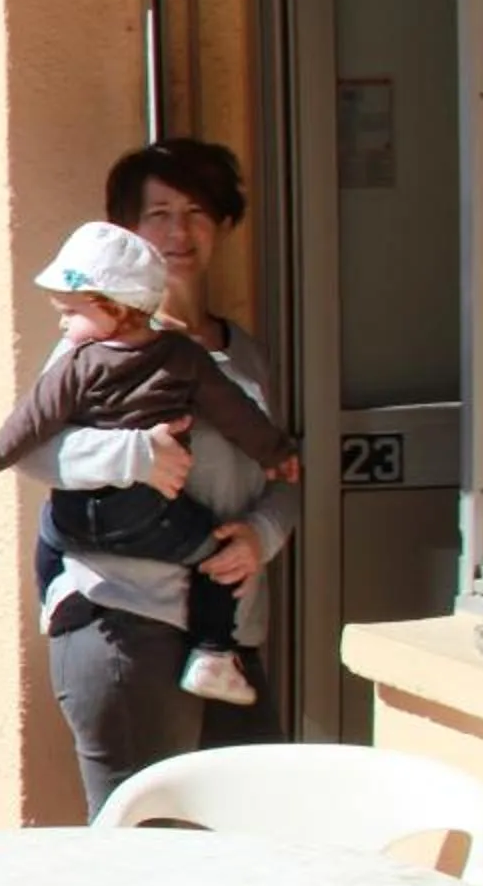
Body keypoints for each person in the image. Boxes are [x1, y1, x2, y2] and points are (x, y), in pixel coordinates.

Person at [28, 140, 301, 815]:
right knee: (142, 844)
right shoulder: (94, 343)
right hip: (125, 623)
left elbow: (288, 472)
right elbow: (34, 452)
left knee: (247, 831)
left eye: (197, 212)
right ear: (128, 229)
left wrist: (261, 537)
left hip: (229, 632)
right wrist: (134, 456)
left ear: (223, 225)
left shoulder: (248, 354)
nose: (180, 232)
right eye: (159, 214)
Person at [0, 222, 300, 705]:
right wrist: (276, 454)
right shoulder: (183, 358)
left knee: (49, 532)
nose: (63, 325)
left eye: (71, 313)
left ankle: (56, 592)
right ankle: (214, 652)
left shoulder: (77, 365)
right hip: (150, 514)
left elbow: (23, 431)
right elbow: (237, 414)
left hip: (78, 518)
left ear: (115, 308)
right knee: (213, 555)